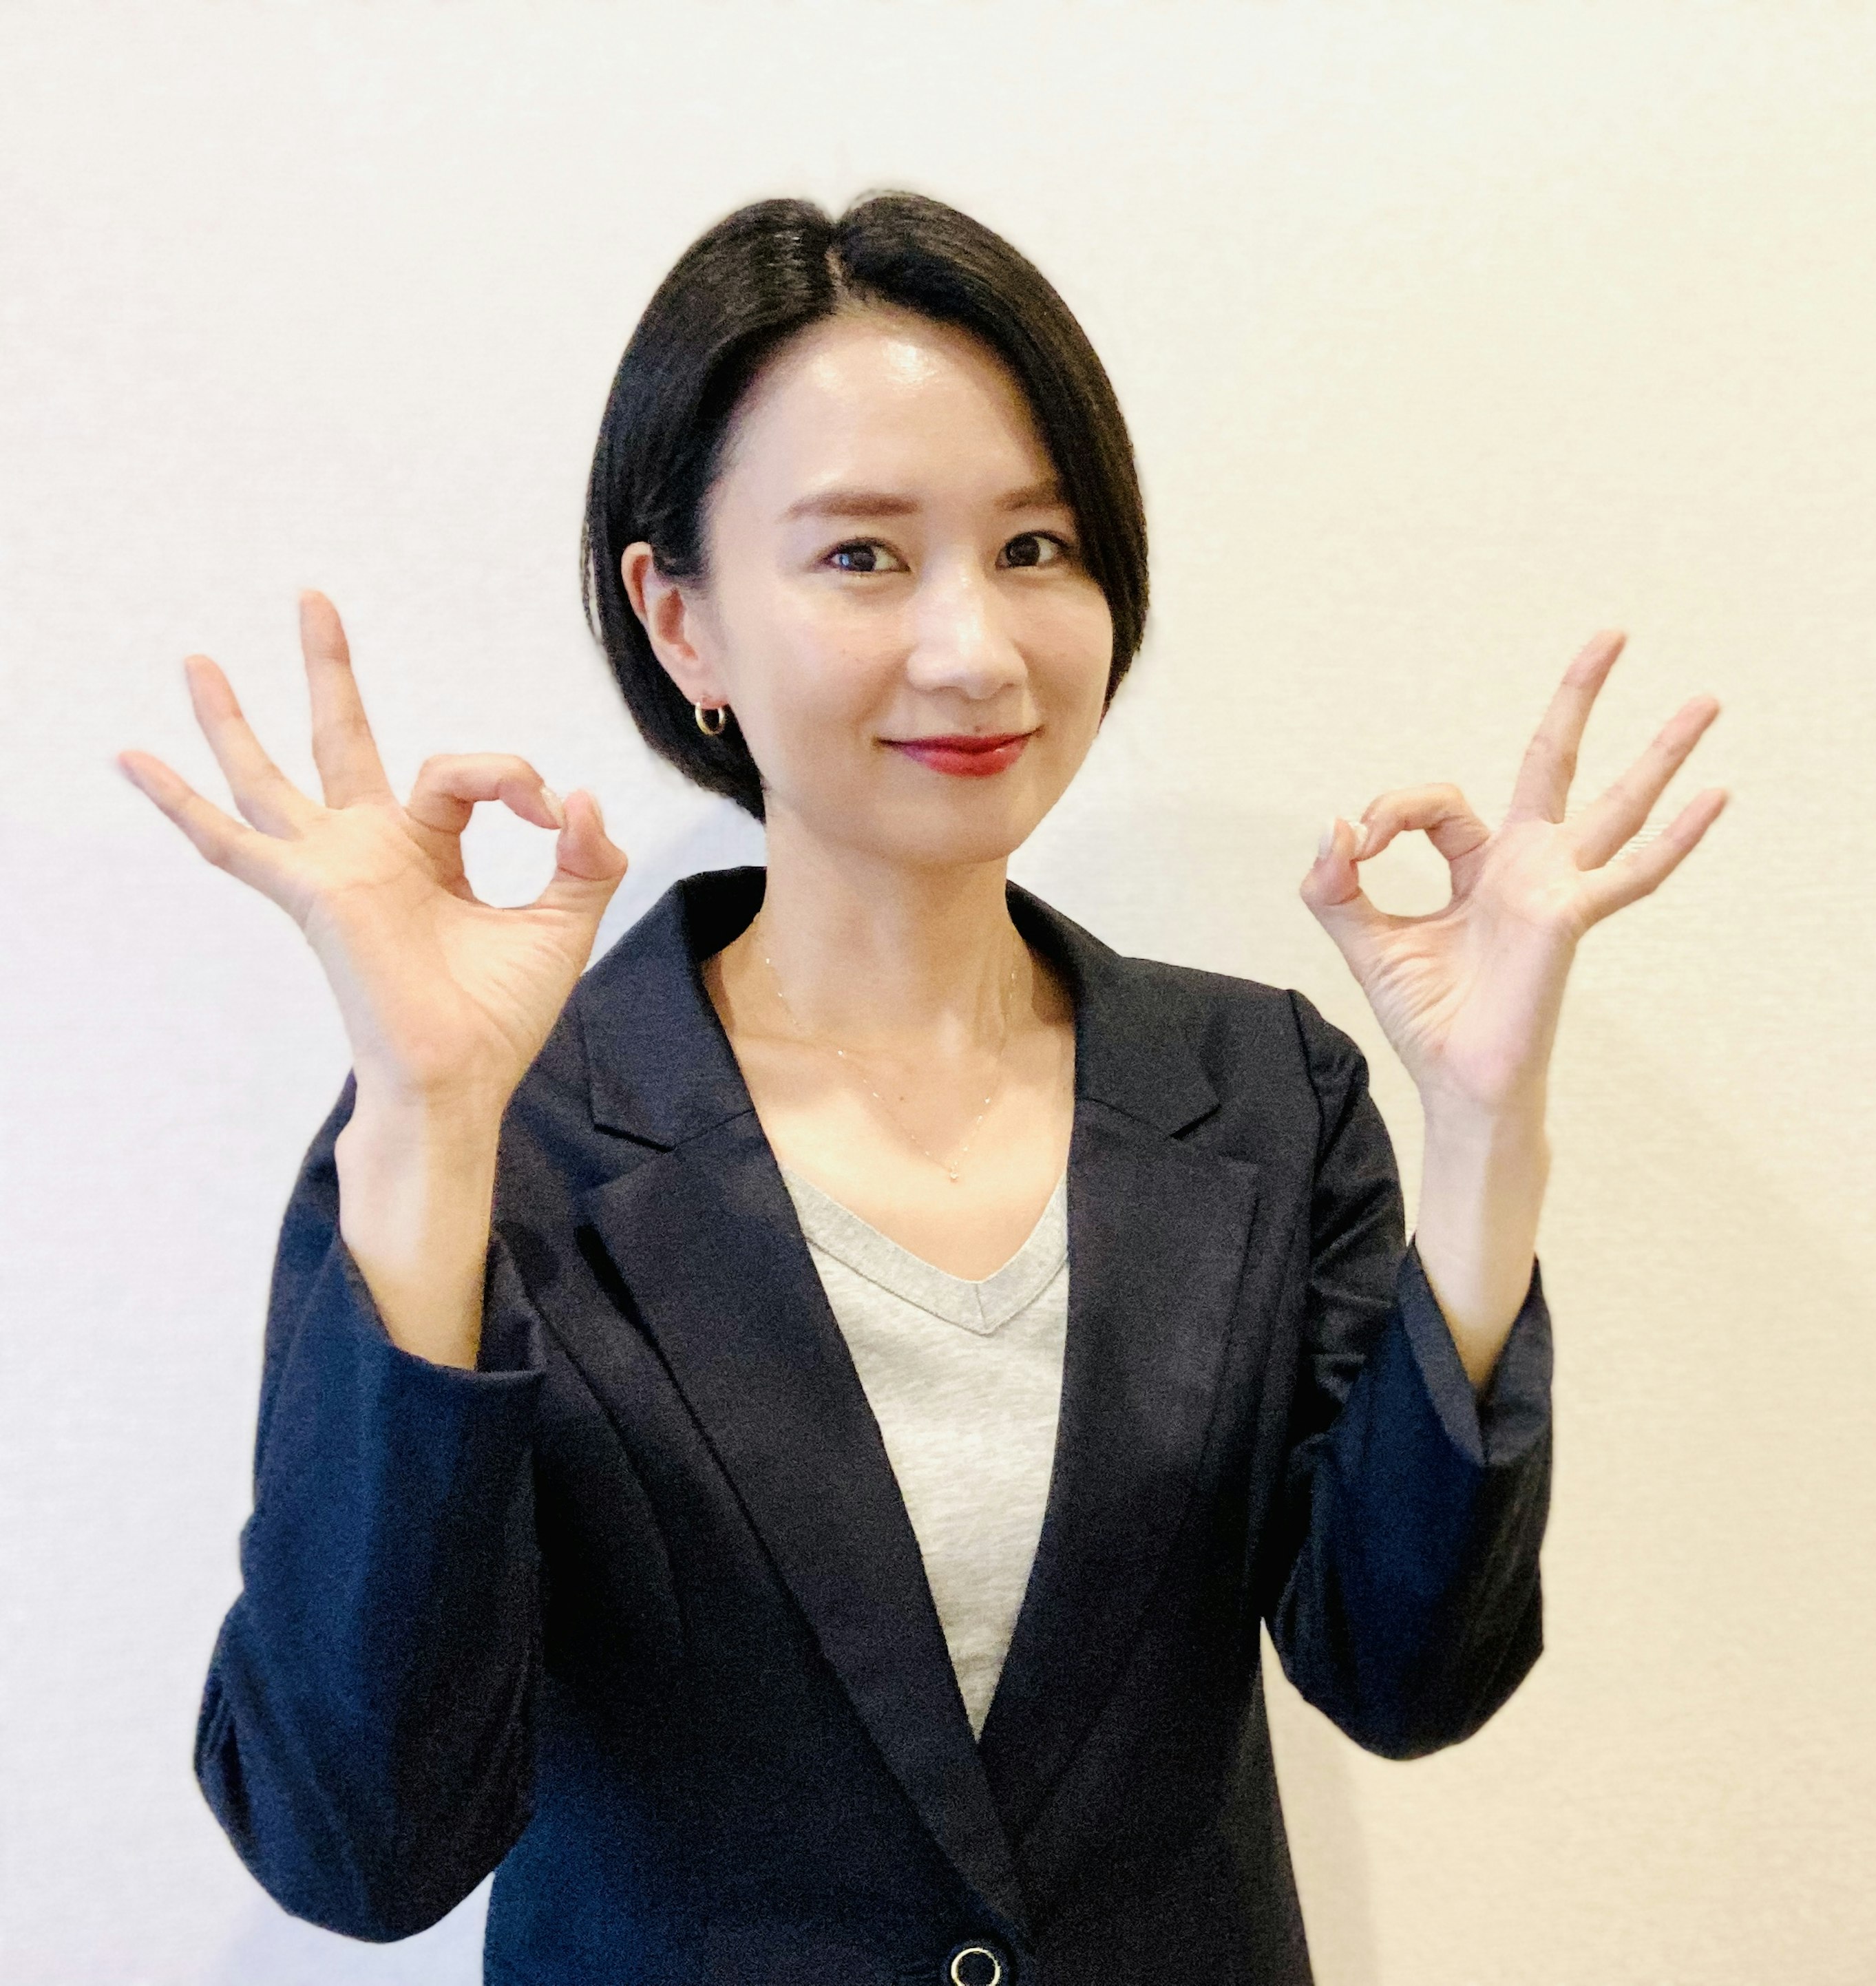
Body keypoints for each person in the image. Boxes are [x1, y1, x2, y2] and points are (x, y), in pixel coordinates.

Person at [114, 191, 1727, 1986]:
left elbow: (1409, 1672)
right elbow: (361, 1843)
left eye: (1039, 547)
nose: (975, 649)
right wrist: (422, 1126)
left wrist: (1488, 1129)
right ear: (683, 620)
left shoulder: (1261, 1089)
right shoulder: (495, 1126)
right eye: (863, 557)